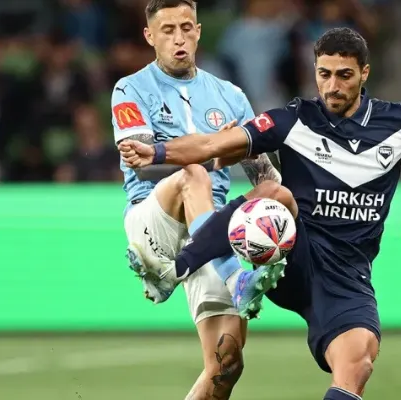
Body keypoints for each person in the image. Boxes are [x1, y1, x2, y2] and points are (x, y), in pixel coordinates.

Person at [120, 27, 401, 400]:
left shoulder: (399, 124)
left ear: (364, 73)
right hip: (291, 253)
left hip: (345, 273)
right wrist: (157, 149)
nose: (332, 86)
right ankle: (185, 266)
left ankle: (216, 274)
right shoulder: (292, 119)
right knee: (276, 194)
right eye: (323, 74)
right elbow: (209, 145)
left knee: (358, 360)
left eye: (343, 75)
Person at [111, 1, 281, 398]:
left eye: (186, 27)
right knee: (193, 174)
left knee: (226, 365)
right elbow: (144, 163)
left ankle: (214, 268)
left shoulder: (230, 96)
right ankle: (235, 278)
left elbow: (264, 175)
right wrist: (213, 150)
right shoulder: (130, 88)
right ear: (150, 37)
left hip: (209, 230)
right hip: (156, 218)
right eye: (167, 30)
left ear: (199, 31)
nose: (179, 38)